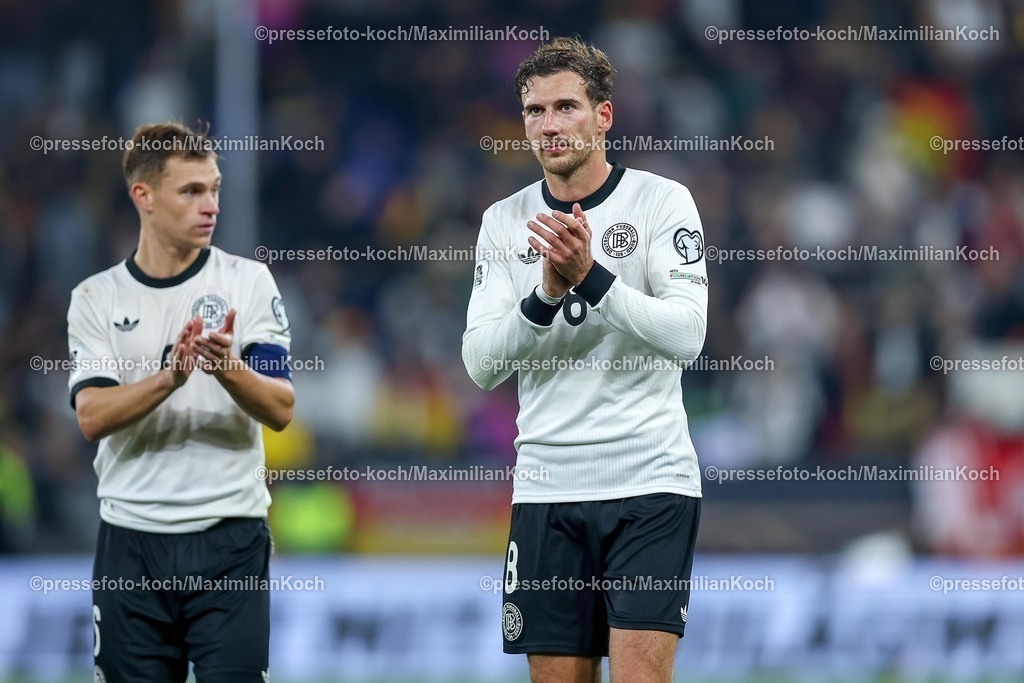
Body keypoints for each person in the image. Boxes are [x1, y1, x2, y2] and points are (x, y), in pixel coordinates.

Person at [462, 37, 708, 683]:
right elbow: (481, 363)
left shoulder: (662, 202)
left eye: (566, 107)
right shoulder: (503, 221)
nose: (549, 125)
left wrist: (591, 277)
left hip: (648, 482)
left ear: (604, 116)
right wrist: (545, 296)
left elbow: (687, 335)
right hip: (547, 486)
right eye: (535, 111)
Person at [67, 122, 294, 682]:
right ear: (143, 196)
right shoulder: (96, 297)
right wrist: (169, 379)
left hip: (230, 537)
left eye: (214, 189)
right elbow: (91, 416)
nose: (210, 205)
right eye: (191, 191)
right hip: (131, 541)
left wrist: (225, 367)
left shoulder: (248, 282)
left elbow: (281, 407)